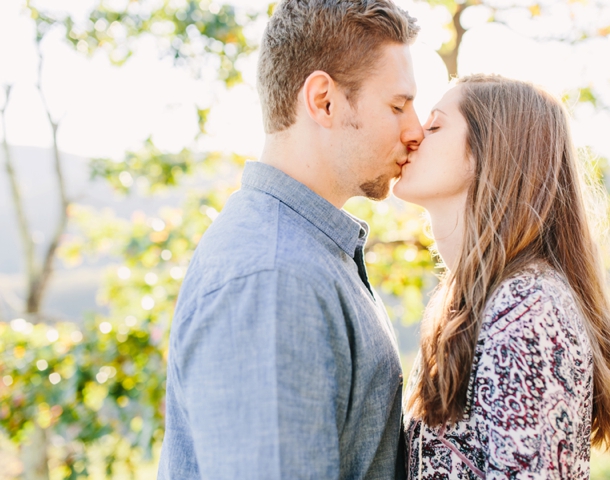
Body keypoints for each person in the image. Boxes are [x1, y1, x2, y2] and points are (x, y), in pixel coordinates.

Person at [157, 1, 424, 478]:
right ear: (324, 100)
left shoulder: (307, 252)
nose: (416, 129)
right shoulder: (273, 278)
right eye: (398, 106)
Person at [394, 74, 610, 479]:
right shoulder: (474, 303)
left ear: (491, 152)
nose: (414, 135)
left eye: (435, 126)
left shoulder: (529, 310)